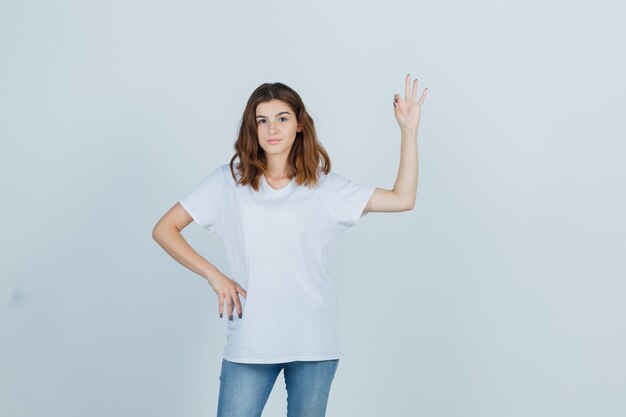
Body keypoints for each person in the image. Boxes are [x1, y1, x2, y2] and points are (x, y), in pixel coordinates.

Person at [152, 74, 427, 417]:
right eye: (262, 121)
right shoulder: (228, 182)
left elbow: (403, 198)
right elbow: (165, 229)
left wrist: (408, 132)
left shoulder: (326, 188)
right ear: (252, 129)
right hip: (251, 340)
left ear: (299, 125)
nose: (272, 129)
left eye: (282, 118)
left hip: (313, 340)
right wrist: (214, 275)